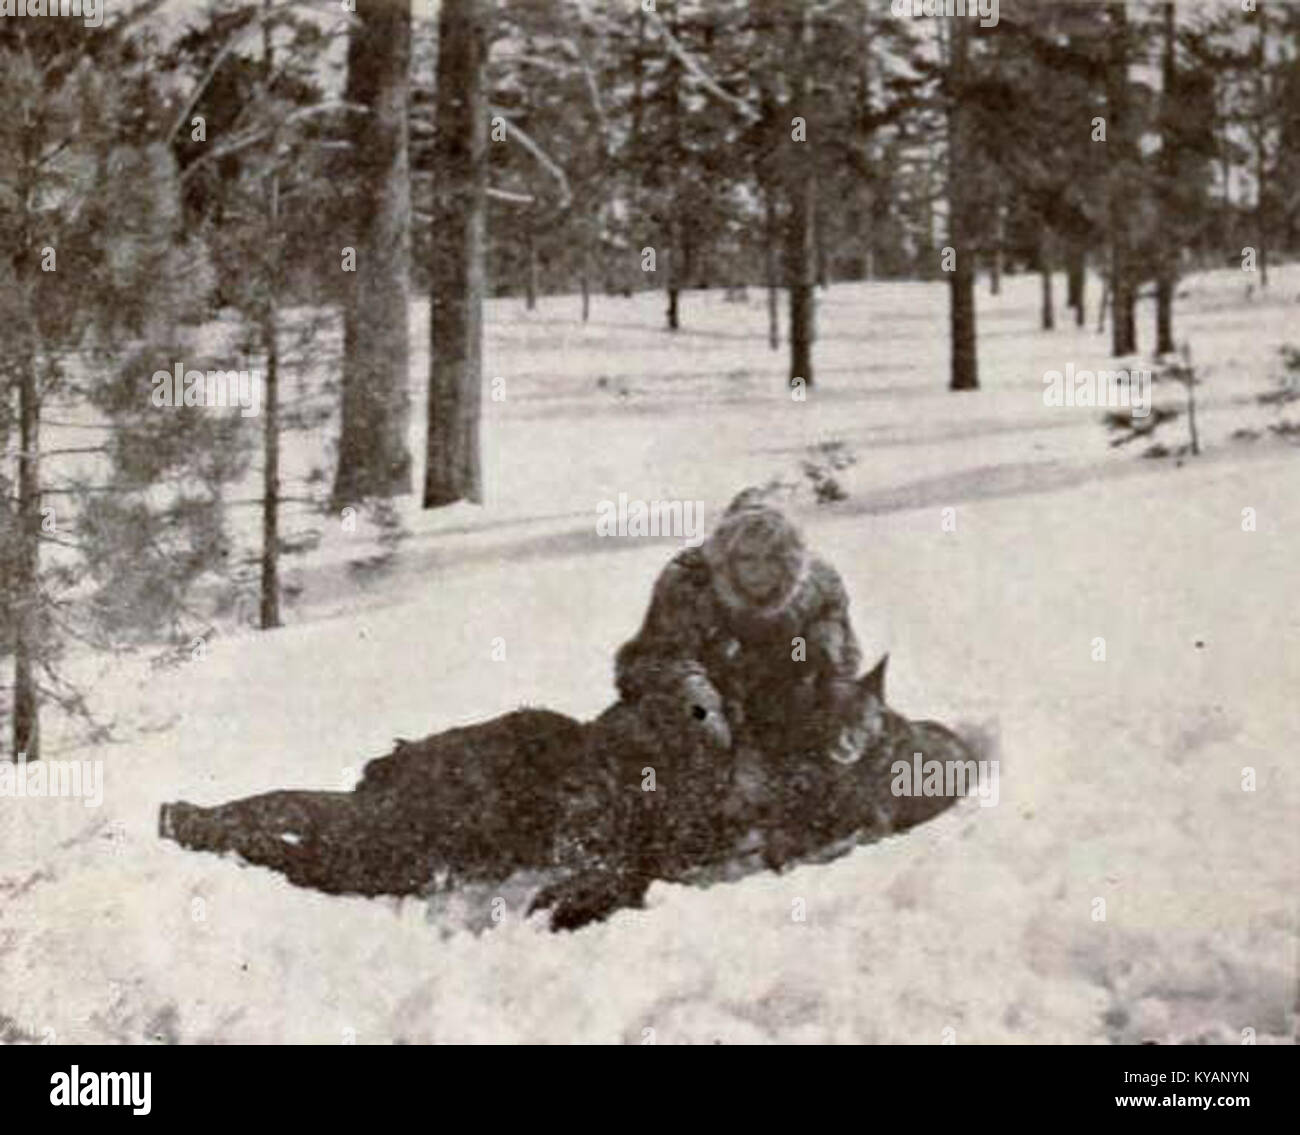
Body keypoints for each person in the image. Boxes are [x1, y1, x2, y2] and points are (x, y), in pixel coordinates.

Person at [613, 488, 868, 863]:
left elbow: (841, 664)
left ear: (790, 559)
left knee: (828, 730)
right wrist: (694, 692)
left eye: (772, 558)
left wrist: (838, 706)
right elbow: (658, 656)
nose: (759, 570)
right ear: (726, 558)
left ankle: (803, 822)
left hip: (780, 696)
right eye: (746, 558)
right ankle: (681, 834)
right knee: (692, 732)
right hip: (702, 699)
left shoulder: (819, 587)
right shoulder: (688, 581)